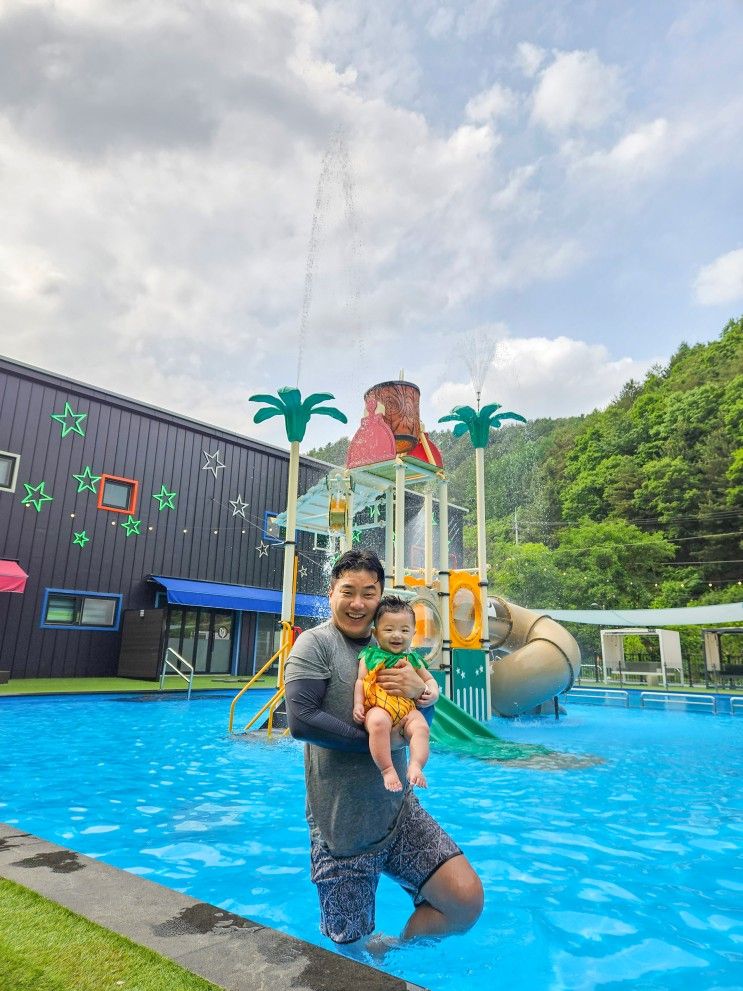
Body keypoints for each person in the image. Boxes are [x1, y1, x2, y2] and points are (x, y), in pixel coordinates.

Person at [284, 548, 483, 947]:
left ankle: (394, 952)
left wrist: (426, 697)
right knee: (349, 945)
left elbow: (419, 722)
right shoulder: (316, 645)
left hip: (398, 812)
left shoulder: (398, 649)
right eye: (348, 591)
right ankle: (367, 957)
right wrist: (380, 745)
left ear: (380, 596)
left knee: (464, 902)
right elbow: (301, 720)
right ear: (331, 593)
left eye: (369, 593)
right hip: (342, 828)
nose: (358, 603)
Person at [353, 595, 439, 792]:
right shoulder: (369, 656)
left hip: (407, 709)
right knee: (377, 722)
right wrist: (358, 704)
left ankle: (416, 765)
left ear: (413, 633)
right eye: (389, 629)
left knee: (421, 728)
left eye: (404, 630)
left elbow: (429, 681)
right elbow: (360, 681)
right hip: (378, 707)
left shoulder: (413, 659)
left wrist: (433, 693)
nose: (397, 635)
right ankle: (387, 769)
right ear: (375, 632)